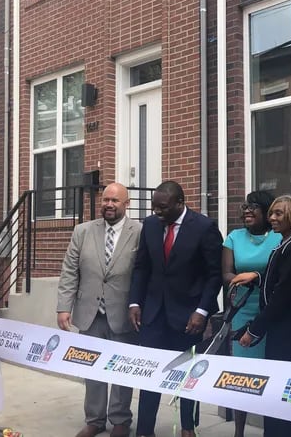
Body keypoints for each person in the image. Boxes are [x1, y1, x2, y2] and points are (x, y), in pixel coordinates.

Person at [129, 181, 223, 437]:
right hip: (153, 314)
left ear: (180, 203)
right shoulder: (149, 225)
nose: (157, 213)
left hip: (188, 316)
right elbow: (142, 267)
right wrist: (135, 302)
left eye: (162, 208)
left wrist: (202, 311)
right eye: (154, 208)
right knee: (149, 375)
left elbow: (214, 275)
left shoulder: (204, 227)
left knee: (186, 376)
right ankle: (145, 430)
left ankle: (187, 428)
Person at [57, 182, 142, 437]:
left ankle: (120, 420)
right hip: (89, 312)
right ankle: (94, 419)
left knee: (122, 369)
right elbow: (70, 271)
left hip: (124, 313)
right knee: (91, 367)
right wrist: (64, 307)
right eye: (105, 200)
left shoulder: (140, 231)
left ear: (126, 204)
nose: (108, 205)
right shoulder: (82, 231)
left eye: (115, 201)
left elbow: (145, 272)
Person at [233, 195, 291, 437]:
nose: (273, 218)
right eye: (272, 214)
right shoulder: (285, 243)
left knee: (286, 391)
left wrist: (254, 330)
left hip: (290, 329)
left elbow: (283, 294)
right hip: (280, 327)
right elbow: (275, 279)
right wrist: (257, 277)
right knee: (277, 392)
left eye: (279, 214)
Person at [221, 190, 280, 437]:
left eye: (253, 206)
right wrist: (241, 280)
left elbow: (282, 275)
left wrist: (258, 279)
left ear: (267, 211)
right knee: (241, 377)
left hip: (271, 313)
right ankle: (239, 432)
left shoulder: (278, 238)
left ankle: (272, 429)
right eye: (245, 206)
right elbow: (226, 274)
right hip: (242, 311)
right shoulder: (234, 237)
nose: (247, 210)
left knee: (270, 375)